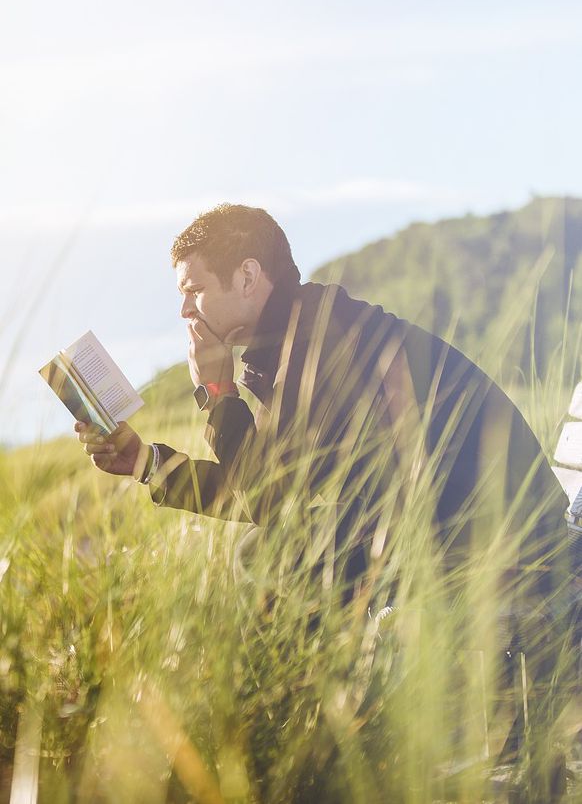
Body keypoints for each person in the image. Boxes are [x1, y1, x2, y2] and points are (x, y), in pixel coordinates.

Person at [76, 203, 568, 605]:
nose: (184, 310)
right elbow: (267, 485)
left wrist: (219, 393)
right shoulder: (296, 337)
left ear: (248, 276)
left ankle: (339, 716)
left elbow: (265, 498)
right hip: (457, 530)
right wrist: (144, 461)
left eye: (194, 290)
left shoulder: (322, 342)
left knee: (269, 554)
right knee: (273, 549)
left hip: (507, 548)